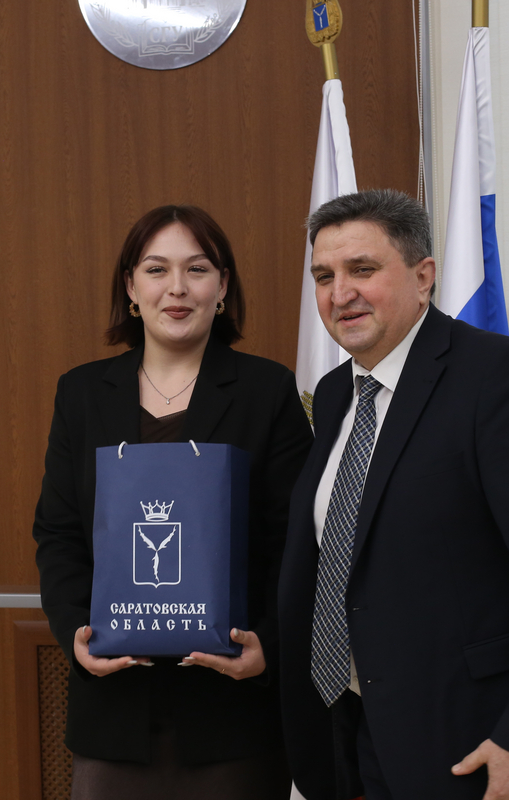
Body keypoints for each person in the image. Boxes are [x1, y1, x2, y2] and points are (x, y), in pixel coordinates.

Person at [278, 190, 509, 800]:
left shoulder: (499, 376)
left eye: (362, 269)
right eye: (324, 277)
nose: (340, 293)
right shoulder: (333, 395)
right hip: (358, 731)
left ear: (423, 276)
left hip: (479, 743)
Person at [32, 205, 313, 800]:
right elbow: (58, 532)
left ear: (223, 287)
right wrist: (77, 629)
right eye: (157, 269)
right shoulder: (81, 393)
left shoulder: (266, 390)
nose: (177, 288)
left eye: (198, 269)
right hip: (113, 709)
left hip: (230, 713)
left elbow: (295, 540)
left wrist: (268, 643)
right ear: (131, 288)